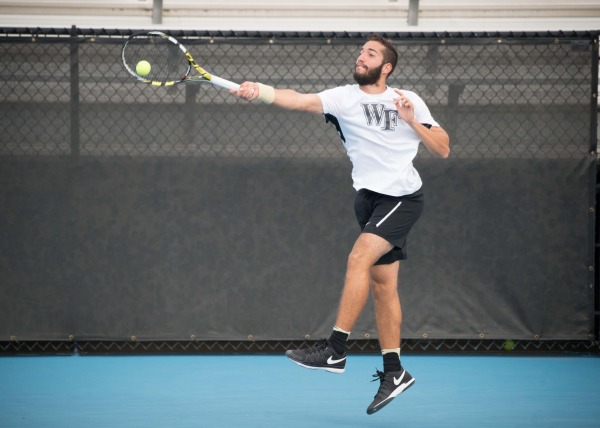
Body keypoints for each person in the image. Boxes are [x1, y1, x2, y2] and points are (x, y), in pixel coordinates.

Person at [230, 34, 450, 415]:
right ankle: (395, 372)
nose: (361, 56)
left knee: (357, 260)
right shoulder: (344, 97)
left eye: (371, 53)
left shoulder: (407, 99)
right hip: (367, 200)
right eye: (361, 51)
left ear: (387, 68)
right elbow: (297, 99)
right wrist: (260, 90)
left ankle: (335, 349)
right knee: (383, 287)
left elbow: (443, 147)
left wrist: (412, 120)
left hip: (401, 198)